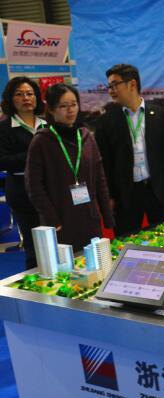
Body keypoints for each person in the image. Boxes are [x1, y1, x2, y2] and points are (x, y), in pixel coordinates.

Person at [95, 64, 164, 236]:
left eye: (115, 85)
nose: (111, 91)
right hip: (126, 195)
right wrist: (109, 196)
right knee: (127, 242)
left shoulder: (162, 115)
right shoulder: (106, 121)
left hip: (159, 189)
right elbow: (105, 164)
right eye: (109, 86)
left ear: (132, 84)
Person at [25, 83, 114, 251]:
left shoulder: (86, 136)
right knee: (68, 264)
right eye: (63, 106)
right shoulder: (42, 141)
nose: (70, 110)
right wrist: (53, 220)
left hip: (89, 218)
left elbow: (100, 178)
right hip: (61, 221)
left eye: (73, 104)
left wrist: (107, 216)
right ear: (51, 110)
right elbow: (34, 186)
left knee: (95, 261)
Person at [0, 77, 46, 269]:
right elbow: (2, 161)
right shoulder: (4, 128)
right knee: (34, 244)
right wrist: (33, 155)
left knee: (56, 239)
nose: (26, 98)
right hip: (21, 190)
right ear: (11, 99)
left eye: (30, 94)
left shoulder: (47, 124)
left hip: (49, 188)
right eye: (19, 94)